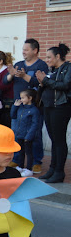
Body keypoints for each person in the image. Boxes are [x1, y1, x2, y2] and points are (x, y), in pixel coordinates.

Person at [7, 39, 48, 174]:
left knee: (34, 135)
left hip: (33, 107)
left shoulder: (41, 65)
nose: (23, 52)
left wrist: (24, 76)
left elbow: (41, 82)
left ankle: (36, 162)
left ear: (35, 50)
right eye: (23, 49)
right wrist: (11, 75)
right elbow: (6, 82)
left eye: (26, 49)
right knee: (17, 134)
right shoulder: (18, 64)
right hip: (18, 106)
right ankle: (17, 159)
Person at [35, 43, 71, 183]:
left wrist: (46, 80)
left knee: (59, 140)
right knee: (53, 139)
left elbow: (65, 85)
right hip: (48, 107)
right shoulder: (52, 70)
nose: (47, 60)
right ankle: (52, 169)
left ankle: (59, 172)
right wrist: (42, 83)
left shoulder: (67, 68)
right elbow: (48, 84)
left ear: (58, 56)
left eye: (49, 57)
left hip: (60, 107)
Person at [10, 89, 39, 177]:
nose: (21, 99)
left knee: (29, 152)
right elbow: (12, 115)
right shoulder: (20, 107)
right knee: (21, 151)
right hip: (19, 134)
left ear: (30, 98)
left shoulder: (34, 110)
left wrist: (29, 135)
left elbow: (35, 124)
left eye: (23, 98)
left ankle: (29, 169)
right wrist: (14, 106)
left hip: (28, 136)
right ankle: (20, 166)